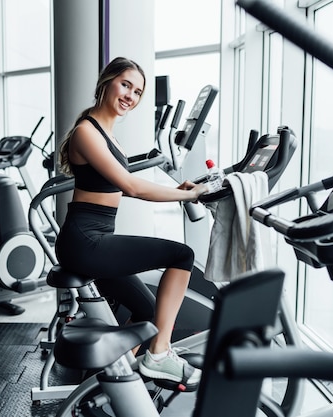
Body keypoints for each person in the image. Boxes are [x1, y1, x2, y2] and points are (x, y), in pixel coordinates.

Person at [55, 57, 209, 386]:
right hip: (85, 240)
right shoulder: (86, 132)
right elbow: (131, 186)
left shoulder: (106, 134)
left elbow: (122, 182)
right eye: (125, 85)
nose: (131, 96)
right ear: (106, 83)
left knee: (149, 312)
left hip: (92, 237)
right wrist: (189, 196)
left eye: (137, 92)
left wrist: (177, 190)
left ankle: (105, 382)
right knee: (181, 255)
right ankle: (159, 354)